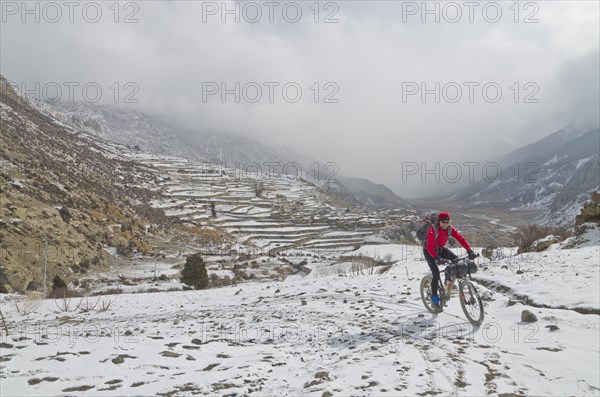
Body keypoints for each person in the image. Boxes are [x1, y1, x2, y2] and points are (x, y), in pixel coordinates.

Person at [424, 212, 476, 311]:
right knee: (435, 274)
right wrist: (437, 258)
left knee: (457, 262)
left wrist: (469, 250)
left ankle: (448, 279)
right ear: (439, 222)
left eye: (447, 222)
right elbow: (429, 246)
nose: (445, 224)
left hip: (439, 249)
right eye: (443, 222)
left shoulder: (450, 229)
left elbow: (461, 239)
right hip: (429, 251)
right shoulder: (433, 229)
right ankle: (434, 299)